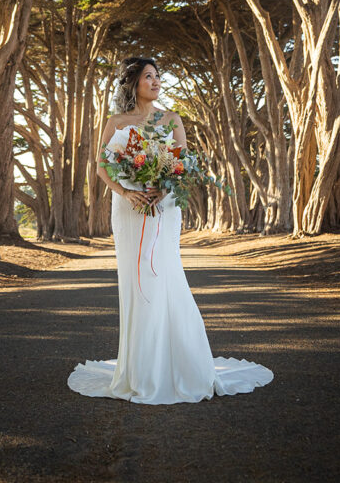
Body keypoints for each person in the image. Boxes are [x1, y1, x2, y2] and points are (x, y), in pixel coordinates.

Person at [67, 56, 273, 404]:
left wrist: (159, 191)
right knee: (135, 282)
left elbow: (180, 164)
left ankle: (178, 364)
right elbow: (102, 167)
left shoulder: (171, 119)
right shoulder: (116, 122)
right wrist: (127, 192)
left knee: (164, 275)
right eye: (149, 76)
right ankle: (139, 367)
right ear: (134, 84)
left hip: (163, 207)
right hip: (128, 208)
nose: (156, 81)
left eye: (159, 76)